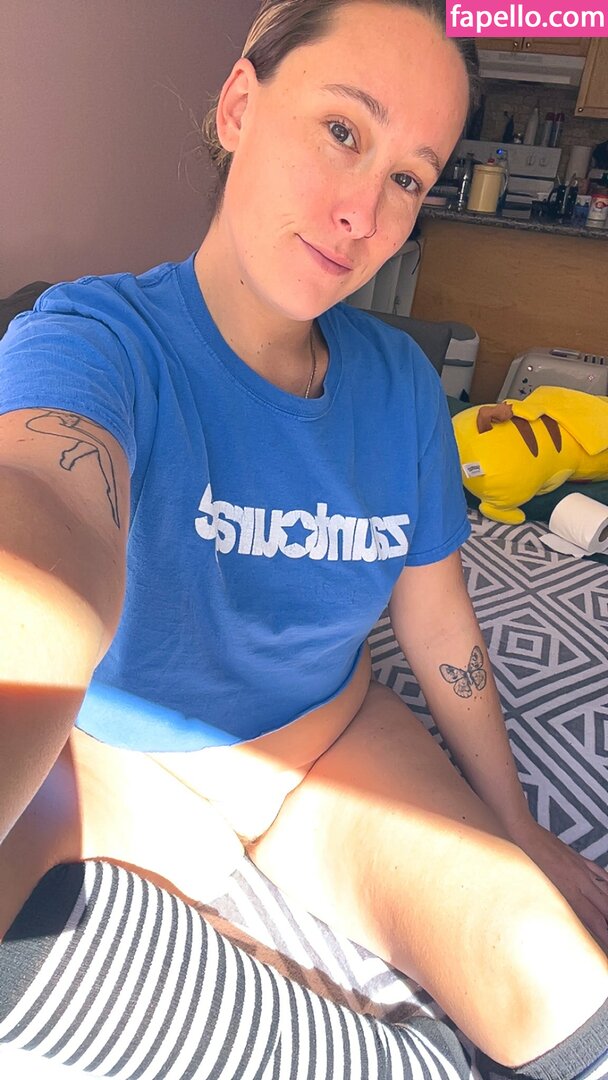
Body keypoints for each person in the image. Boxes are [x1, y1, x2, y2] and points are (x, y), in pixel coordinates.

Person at [0, 0, 607, 1077]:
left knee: (552, 979)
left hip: (328, 752)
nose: (361, 212)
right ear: (240, 104)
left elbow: (437, 622)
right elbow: (41, 529)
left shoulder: (401, 386)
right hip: (126, 769)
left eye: (409, 177)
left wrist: (513, 822)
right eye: (341, 130)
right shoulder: (94, 338)